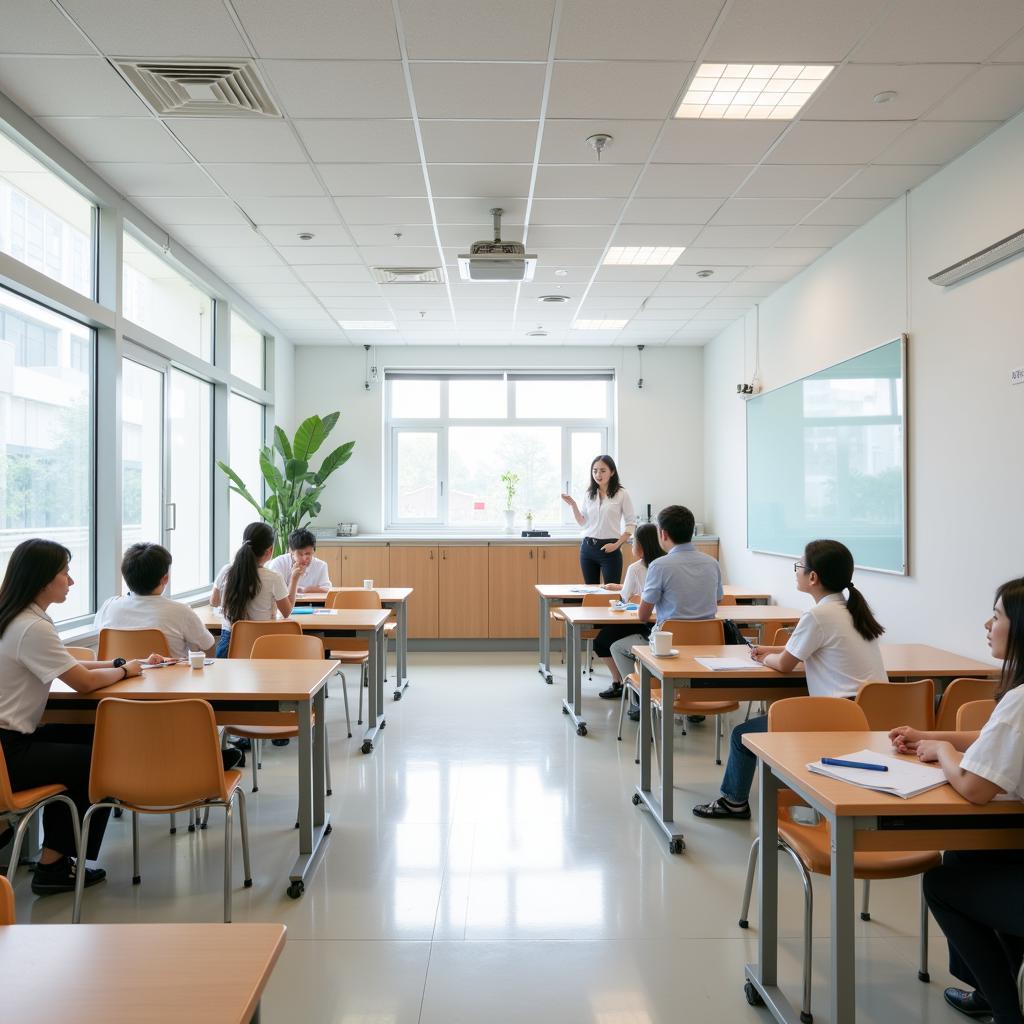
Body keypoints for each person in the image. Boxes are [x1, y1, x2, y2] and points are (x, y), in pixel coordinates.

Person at [890, 578, 1024, 1024]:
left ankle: (1006, 1011)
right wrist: (930, 734)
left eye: (998, 616)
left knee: (941, 883)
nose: (988, 624)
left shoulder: (1020, 701)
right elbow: (993, 739)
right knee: (972, 853)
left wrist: (943, 752)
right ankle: (991, 989)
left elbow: (973, 789)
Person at [0, 539, 164, 896]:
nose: (71, 582)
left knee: (94, 738)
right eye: (65, 573)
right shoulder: (33, 627)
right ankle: (53, 865)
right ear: (44, 580)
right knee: (101, 762)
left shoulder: (17, 618)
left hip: (9, 744)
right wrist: (126, 673)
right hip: (10, 751)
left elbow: (70, 667)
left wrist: (120, 663)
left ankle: (52, 858)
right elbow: (84, 683)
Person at [694, 538, 886, 821]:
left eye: (799, 566)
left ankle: (734, 802)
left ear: (813, 577)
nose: (795, 571)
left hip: (836, 718)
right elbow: (802, 650)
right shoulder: (849, 611)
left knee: (742, 735)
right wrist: (770, 651)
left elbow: (784, 665)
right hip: (871, 715)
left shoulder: (818, 615)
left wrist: (762, 657)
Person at [609, 505, 722, 717]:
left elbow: (643, 615)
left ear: (663, 534)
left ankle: (641, 701)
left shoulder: (660, 566)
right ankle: (691, 701)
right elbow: (717, 601)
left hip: (668, 645)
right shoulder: (712, 563)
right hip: (708, 644)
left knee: (617, 647)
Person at [95, 542, 216, 659]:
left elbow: (99, 631)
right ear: (165, 579)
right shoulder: (181, 611)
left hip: (120, 677)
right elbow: (207, 647)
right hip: (171, 678)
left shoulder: (109, 606)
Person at [210, 522, 301, 659]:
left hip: (229, 644)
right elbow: (287, 612)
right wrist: (294, 580)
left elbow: (214, 602)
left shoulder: (226, 571)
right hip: (262, 645)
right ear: (269, 551)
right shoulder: (273, 578)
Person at [594, 523, 664, 700]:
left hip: (646, 625)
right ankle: (630, 682)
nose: (631, 546)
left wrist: (620, 588)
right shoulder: (667, 563)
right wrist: (622, 586)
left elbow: (625, 597)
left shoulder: (636, 568)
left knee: (602, 641)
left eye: (633, 542)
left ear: (640, 546)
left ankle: (620, 683)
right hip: (666, 625)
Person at [561, 455, 636, 585]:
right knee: (590, 591)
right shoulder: (589, 494)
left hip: (611, 548)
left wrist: (616, 545)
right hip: (588, 549)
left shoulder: (622, 494)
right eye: (594, 470)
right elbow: (583, 523)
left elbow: (631, 524)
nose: (598, 474)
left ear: (612, 472)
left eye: (602, 470)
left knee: (611, 593)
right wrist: (573, 505)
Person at [266, 528, 332, 594]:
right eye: (300, 554)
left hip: (313, 603)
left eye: (308, 554)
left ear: (313, 551)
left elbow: (327, 590)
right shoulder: (278, 563)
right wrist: (294, 578)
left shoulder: (321, 565)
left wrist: (306, 590)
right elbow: (274, 592)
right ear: (291, 551)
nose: (304, 558)